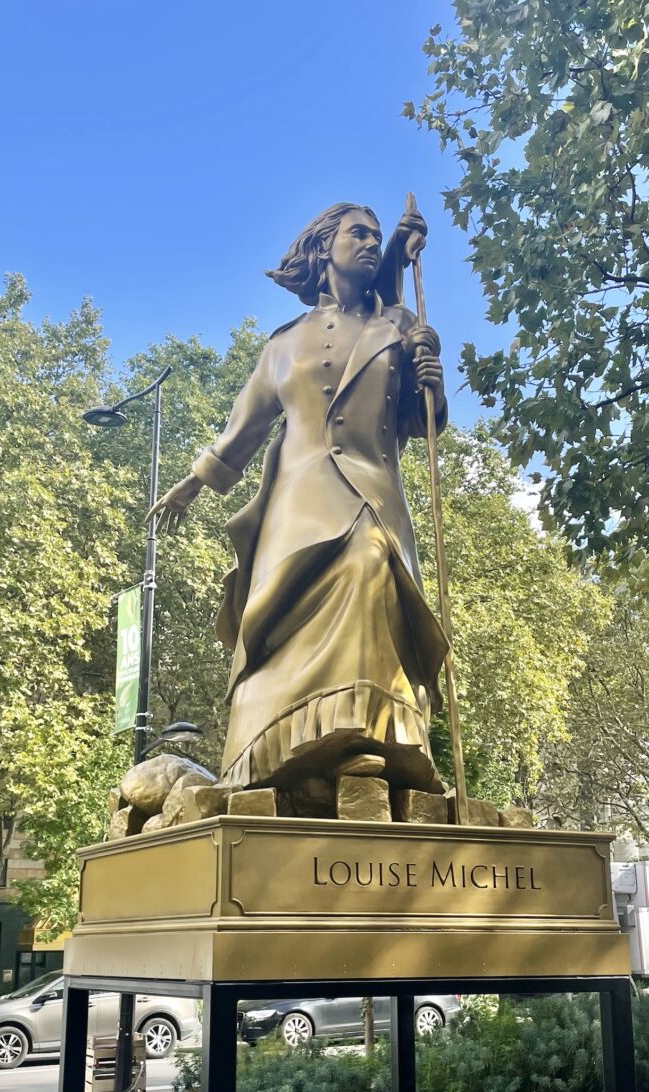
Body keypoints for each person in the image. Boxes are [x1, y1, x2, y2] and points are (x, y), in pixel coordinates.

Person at [148, 202, 449, 805]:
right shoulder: (283, 344)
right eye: (355, 233)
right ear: (323, 250)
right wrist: (195, 480)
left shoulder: (401, 326)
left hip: (373, 491)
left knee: (367, 561)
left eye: (374, 235)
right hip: (297, 498)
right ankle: (275, 743)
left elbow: (425, 425)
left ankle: (368, 730)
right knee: (272, 619)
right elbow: (246, 425)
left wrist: (432, 380)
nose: (367, 242)